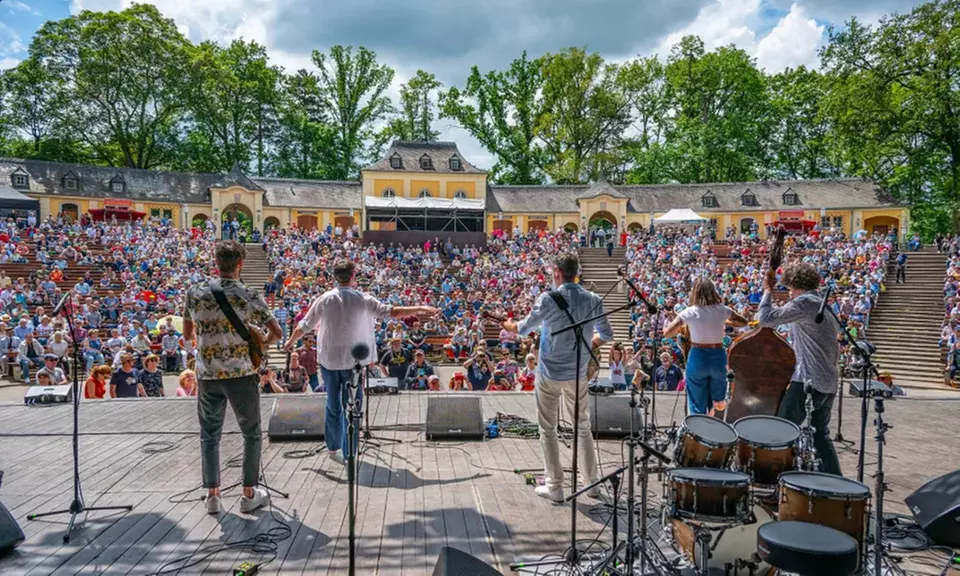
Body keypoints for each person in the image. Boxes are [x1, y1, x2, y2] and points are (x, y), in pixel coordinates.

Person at [283, 259, 436, 465]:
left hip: (329, 361)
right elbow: (394, 312)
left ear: (334, 277)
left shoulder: (325, 299)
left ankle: (333, 448)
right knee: (352, 407)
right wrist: (421, 308)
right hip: (353, 364)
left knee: (333, 405)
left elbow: (305, 325)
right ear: (353, 276)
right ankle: (350, 452)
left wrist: (290, 341)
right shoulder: (364, 299)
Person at [501, 252, 614, 502]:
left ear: (556, 273)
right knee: (583, 428)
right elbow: (606, 334)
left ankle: (555, 486)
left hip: (549, 373)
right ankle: (592, 484)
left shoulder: (548, 299)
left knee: (548, 429)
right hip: (577, 373)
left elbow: (523, 328)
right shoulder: (593, 299)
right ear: (578, 273)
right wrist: (588, 344)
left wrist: (509, 325)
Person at [183, 240, 283, 515]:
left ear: (215, 262)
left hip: (207, 374)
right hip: (240, 374)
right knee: (251, 433)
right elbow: (276, 332)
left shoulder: (195, 292)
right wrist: (260, 339)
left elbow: (187, 336)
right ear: (240, 264)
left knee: (209, 435)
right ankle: (248, 494)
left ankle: (212, 495)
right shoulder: (247, 294)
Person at [756, 261, 842, 476]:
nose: (789, 293)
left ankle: (774, 480)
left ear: (794, 284)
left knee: (781, 431)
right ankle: (835, 482)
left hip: (808, 381)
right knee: (820, 435)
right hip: (828, 382)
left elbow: (764, 320)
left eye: (788, 288)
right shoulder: (823, 303)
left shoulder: (804, 303)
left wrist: (768, 291)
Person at [664, 278, 748, 415]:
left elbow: (667, 333)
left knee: (697, 403)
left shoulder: (689, 312)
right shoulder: (722, 310)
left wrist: (688, 324)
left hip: (698, 356)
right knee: (717, 403)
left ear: (695, 293)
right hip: (718, 356)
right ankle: (715, 431)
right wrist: (722, 322)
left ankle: (697, 433)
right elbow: (743, 322)